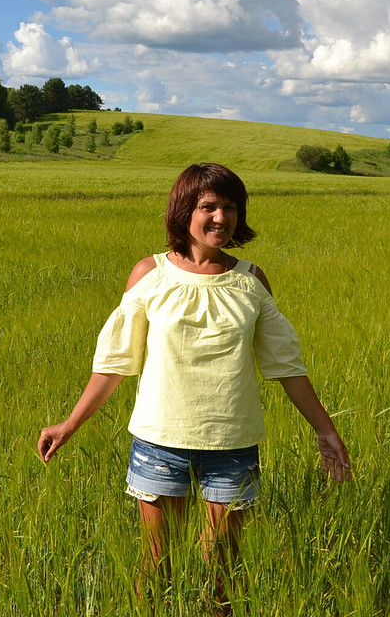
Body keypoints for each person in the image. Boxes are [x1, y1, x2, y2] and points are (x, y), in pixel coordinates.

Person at [37, 163, 351, 612]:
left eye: (230, 207)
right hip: (160, 442)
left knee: (222, 571)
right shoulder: (150, 274)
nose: (221, 217)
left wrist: (325, 431)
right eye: (209, 206)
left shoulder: (251, 280)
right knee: (156, 563)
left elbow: (287, 367)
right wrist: (70, 424)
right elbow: (114, 364)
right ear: (185, 210)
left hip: (233, 444)